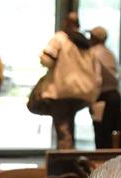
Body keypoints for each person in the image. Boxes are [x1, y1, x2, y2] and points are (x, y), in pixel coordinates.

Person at [39, 12, 100, 149]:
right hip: (81, 92)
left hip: (62, 90)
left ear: (65, 22)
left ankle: (64, 160)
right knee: (69, 125)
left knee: (62, 128)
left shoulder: (60, 38)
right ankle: (71, 157)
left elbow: (47, 60)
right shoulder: (86, 43)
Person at [88, 26, 121, 149]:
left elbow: (97, 79)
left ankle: (101, 164)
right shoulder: (110, 53)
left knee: (101, 135)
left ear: (95, 38)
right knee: (111, 135)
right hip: (115, 96)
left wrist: (91, 99)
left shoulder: (94, 53)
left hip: (102, 98)